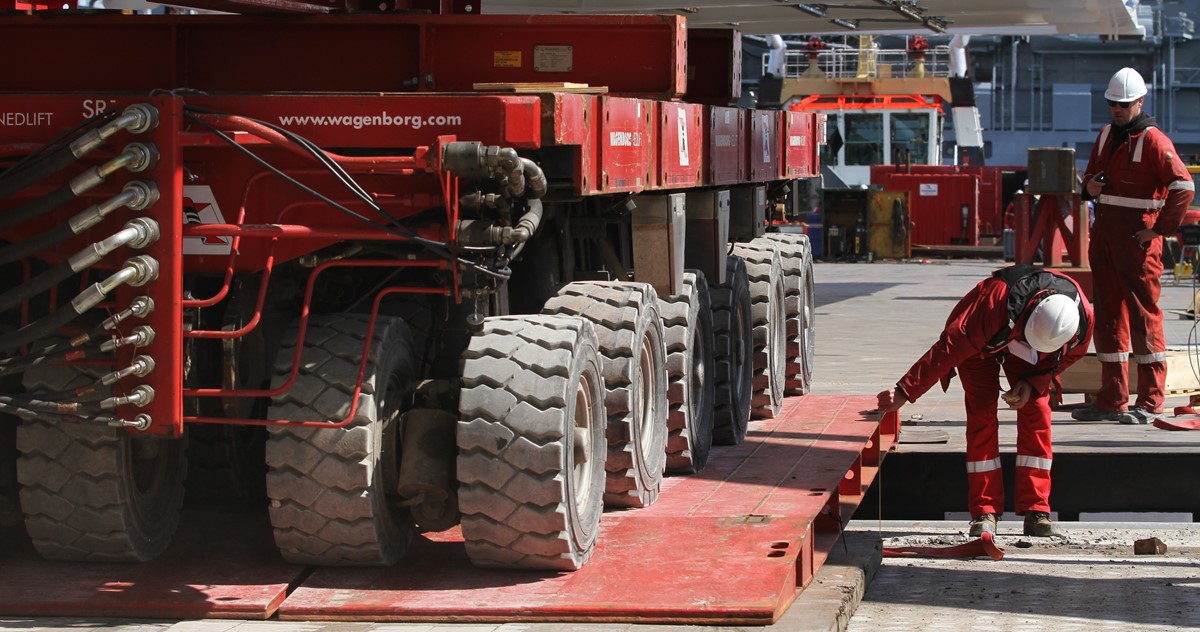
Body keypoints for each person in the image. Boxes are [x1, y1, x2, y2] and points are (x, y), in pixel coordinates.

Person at [877, 265, 1093, 537]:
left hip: (1036, 353)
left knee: (1037, 411)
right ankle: (984, 512)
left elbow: (1069, 357)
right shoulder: (990, 307)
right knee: (981, 415)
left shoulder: (1080, 322)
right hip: (979, 345)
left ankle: (1037, 510)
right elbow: (949, 350)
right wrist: (903, 392)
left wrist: (1033, 382)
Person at [1072, 67, 1196, 425]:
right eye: (1113, 104)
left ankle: (1151, 401)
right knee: (1109, 318)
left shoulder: (1154, 140)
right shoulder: (1107, 135)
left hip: (1136, 242)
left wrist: (1158, 231)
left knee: (1144, 317)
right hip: (1107, 238)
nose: (1117, 109)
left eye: (1124, 104)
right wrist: (1089, 186)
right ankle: (1111, 400)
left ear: (1140, 102)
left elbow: (1183, 186)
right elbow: (1090, 176)